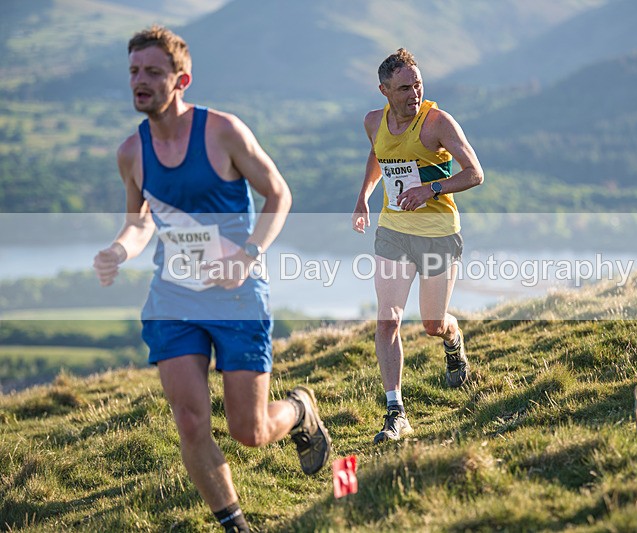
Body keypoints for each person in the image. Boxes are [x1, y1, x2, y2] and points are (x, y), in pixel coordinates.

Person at [93, 25, 330, 533]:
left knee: (250, 430)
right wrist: (118, 249)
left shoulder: (222, 132)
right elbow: (141, 221)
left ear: (182, 80)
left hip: (236, 294)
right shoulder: (131, 152)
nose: (141, 80)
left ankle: (299, 409)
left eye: (154, 71)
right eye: (134, 71)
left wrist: (248, 254)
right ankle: (236, 526)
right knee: (191, 421)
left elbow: (278, 194)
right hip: (173, 297)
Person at [351, 49, 484, 444]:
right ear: (384, 90)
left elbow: (475, 173)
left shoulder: (437, 123)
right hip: (393, 230)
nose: (414, 94)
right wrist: (363, 197)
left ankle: (452, 336)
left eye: (418, 85)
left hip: (439, 231)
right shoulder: (373, 121)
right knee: (387, 319)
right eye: (405, 87)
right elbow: (380, 157)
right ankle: (396, 413)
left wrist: (431, 189)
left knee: (431, 324)